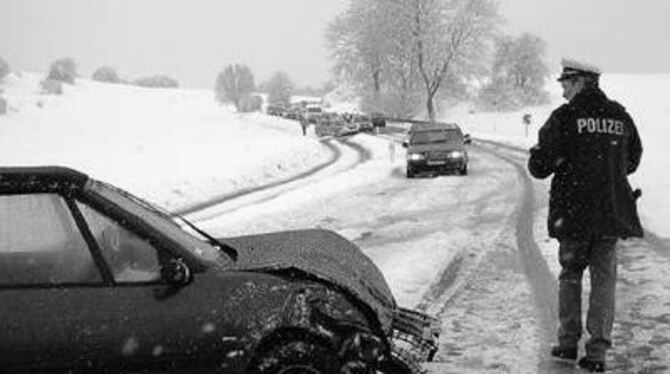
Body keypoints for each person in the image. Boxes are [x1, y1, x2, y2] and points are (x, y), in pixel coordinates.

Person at [528, 58, 643, 372]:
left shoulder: (564, 118)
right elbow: (633, 159)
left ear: (580, 81)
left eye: (566, 82)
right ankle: (597, 354)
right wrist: (608, 167)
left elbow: (539, 167)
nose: (563, 89)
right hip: (610, 215)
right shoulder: (619, 115)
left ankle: (567, 344)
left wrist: (544, 156)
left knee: (570, 277)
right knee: (605, 282)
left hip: (574, 215)